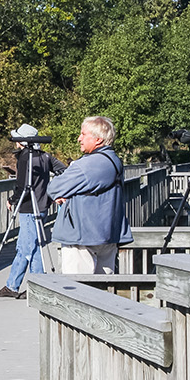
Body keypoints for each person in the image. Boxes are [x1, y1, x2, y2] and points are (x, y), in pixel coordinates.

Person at [47, 116, 132, 274]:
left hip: (83, 238)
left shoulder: (88, 165)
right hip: (106, 234)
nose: (79, 138)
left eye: (83, 134)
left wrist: (64, 193)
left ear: (98, 139)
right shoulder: (113, 160)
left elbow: (54, 188)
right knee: (103, 291)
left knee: (78, 291)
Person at [0, 124, 65, 299]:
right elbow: (64, 171)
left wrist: (12, 200)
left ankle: (37, 287)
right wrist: (54, 191)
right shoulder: (45, 157)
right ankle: (13, 285)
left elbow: (22, 185)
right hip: (42, 206)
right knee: (26, 246)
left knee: (29, 248)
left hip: (28, 208)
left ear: (22, 142)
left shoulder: (25, 158)